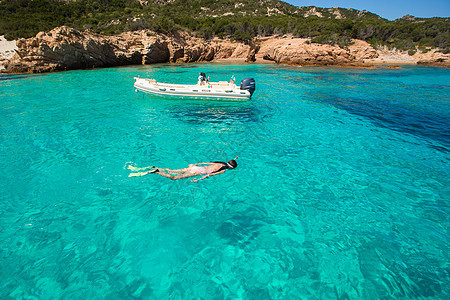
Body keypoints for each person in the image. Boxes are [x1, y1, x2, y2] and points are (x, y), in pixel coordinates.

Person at [128, 158, 238, 182]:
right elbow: (209, 175)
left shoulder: (220, 162)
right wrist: (198, 180)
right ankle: (156, 171)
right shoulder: (223, 170)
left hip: (196, 167)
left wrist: (196, 164)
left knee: (172, 170)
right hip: (197, 172)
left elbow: (207, 163)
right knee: (174, 177)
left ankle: (154, 167)